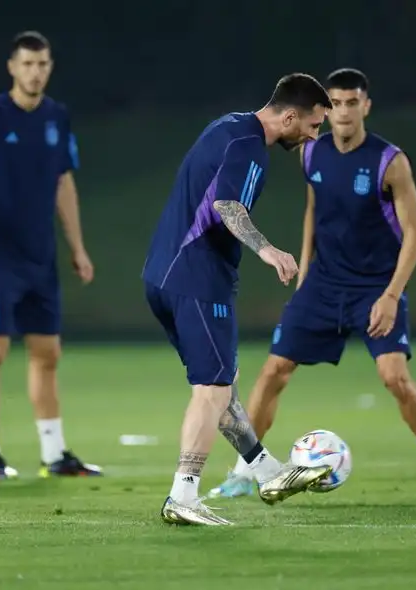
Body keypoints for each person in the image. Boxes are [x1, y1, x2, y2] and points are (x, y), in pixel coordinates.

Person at [208, 69, 416, 500]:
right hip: (323, 284)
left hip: (375, 287)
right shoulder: (310, 152)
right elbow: (314, 208)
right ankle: (243, 473)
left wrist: (392, 295)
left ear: (366, 106)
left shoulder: (390, 161)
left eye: (351, 103)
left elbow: (414, 233)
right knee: (273, 372)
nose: (342, 112)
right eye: (335, 103)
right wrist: (305, 270)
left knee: (394, 377)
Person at [142, 72, 335, 526]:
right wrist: (268, 250)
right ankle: (182, 496)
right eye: (313, 125)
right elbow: (228, 206)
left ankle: (266, 470)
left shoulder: (227, 125)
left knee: (219, 386)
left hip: (164, 275)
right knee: (211, 390)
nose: (314, 135)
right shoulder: (250, 147)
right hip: (198, 281)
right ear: (290, 116)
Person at [0, 31, 99, 480]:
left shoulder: (58, 117)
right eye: (28, 64)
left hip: (40, 255)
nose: (36, 72)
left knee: (46, 352)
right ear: (12, 68)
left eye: (43, 64)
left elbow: (63, 183)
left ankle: (54, 455)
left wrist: (77, 246)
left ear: (50, 67)